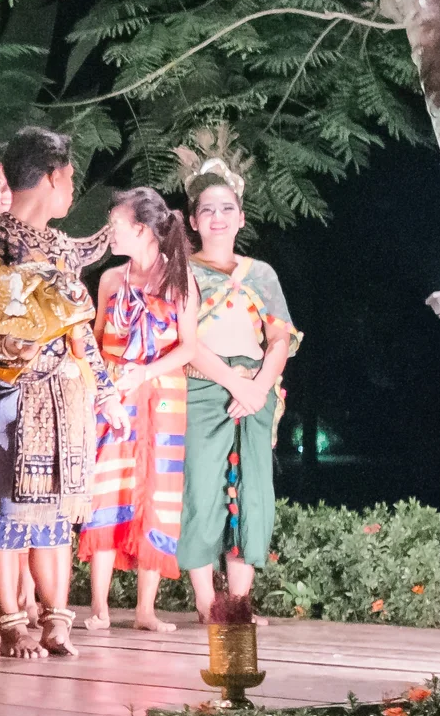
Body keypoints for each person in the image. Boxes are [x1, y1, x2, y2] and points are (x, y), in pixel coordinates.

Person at [0, 126, 110, 660]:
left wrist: (103, 390)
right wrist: (3, 340)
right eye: (70, 179)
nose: (72, 190)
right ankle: (9, 623)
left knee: (54, 508)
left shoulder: (60, 247)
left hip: (61, 390)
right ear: (52, 179)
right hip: (5, 389)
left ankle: (56, 620)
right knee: (8, 506)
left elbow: (78, 330)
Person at [177, 141, 296, 616]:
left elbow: (280, 339)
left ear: (242, 218)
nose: (218, 217)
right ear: (193, 221)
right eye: (208, 210)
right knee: (201, 486)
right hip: (206, 387)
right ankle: (208, 603)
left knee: (253, 490)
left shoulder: (262, 274)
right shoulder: (181, 272)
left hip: (256, 391)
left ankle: (241, 603)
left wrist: (259, 387)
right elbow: (186, 341)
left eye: (228, 209)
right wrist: (236, 384)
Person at [80, 187, 197, 633]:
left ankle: (146, 610)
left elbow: (187, 346)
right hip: (114, 399)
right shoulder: (111, 280)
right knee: (106, 493)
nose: (109, 234)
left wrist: (144, 374)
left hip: (163, 397)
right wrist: (105, 386)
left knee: (156, 494)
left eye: (116, 226)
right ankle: (100, 608)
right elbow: (92, 340)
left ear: (142, 230)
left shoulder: (179, 278)